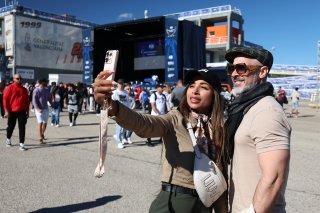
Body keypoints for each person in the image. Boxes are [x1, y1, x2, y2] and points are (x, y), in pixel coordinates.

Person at [93, 69, 228, 213]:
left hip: (204, 206)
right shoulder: (175, 118)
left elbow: (220, 181)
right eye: (192, 85)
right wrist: (112, 106)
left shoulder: (219, 129)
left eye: (203, 87)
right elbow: (144, 123)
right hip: (174, 204)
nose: (195, 91)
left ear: (214, 95)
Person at [225, 47, 291, 213]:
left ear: (262, 72)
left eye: (241, 68)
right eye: (232, 68)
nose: (234, 74)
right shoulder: (245, 108)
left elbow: (274, 177)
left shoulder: (267, 112)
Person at [3, 74, 30, 151]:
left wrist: (27, 112)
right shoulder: (9, 88)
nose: (19, 80)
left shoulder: (24, 90)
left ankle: (21, 144)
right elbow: (5, 100)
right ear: (14, 79)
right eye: (17, 78)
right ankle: (8, 139)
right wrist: (6, 111)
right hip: (12, 111)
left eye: (20, 78)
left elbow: (27, 102)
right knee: (11, 127)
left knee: (22, 128)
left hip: (22, 111)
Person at [111, 79, 131, 149]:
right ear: (117, 84)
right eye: (119, 83)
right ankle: (119, 142)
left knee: (124, 127)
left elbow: (128, 102)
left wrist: (129, 110)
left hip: (125, 112)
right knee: (119, 127)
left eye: (122, 83)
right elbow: (112, 102)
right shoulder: (115, 92)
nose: (121, 85)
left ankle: (118, 136)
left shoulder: (125, 92)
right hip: (118, 112)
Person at [32, 78, 52, 144]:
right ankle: (40, 138)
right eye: (46, 82)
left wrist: (52, 105)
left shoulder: (47, 90)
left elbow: (49, 98)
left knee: (45, 123)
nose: (47, 83)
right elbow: (34, 101)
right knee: (40, 123)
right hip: (39, 109)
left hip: (46, 108)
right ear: (42, 83)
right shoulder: (36, 90)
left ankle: (42, 134)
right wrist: (38, 109)